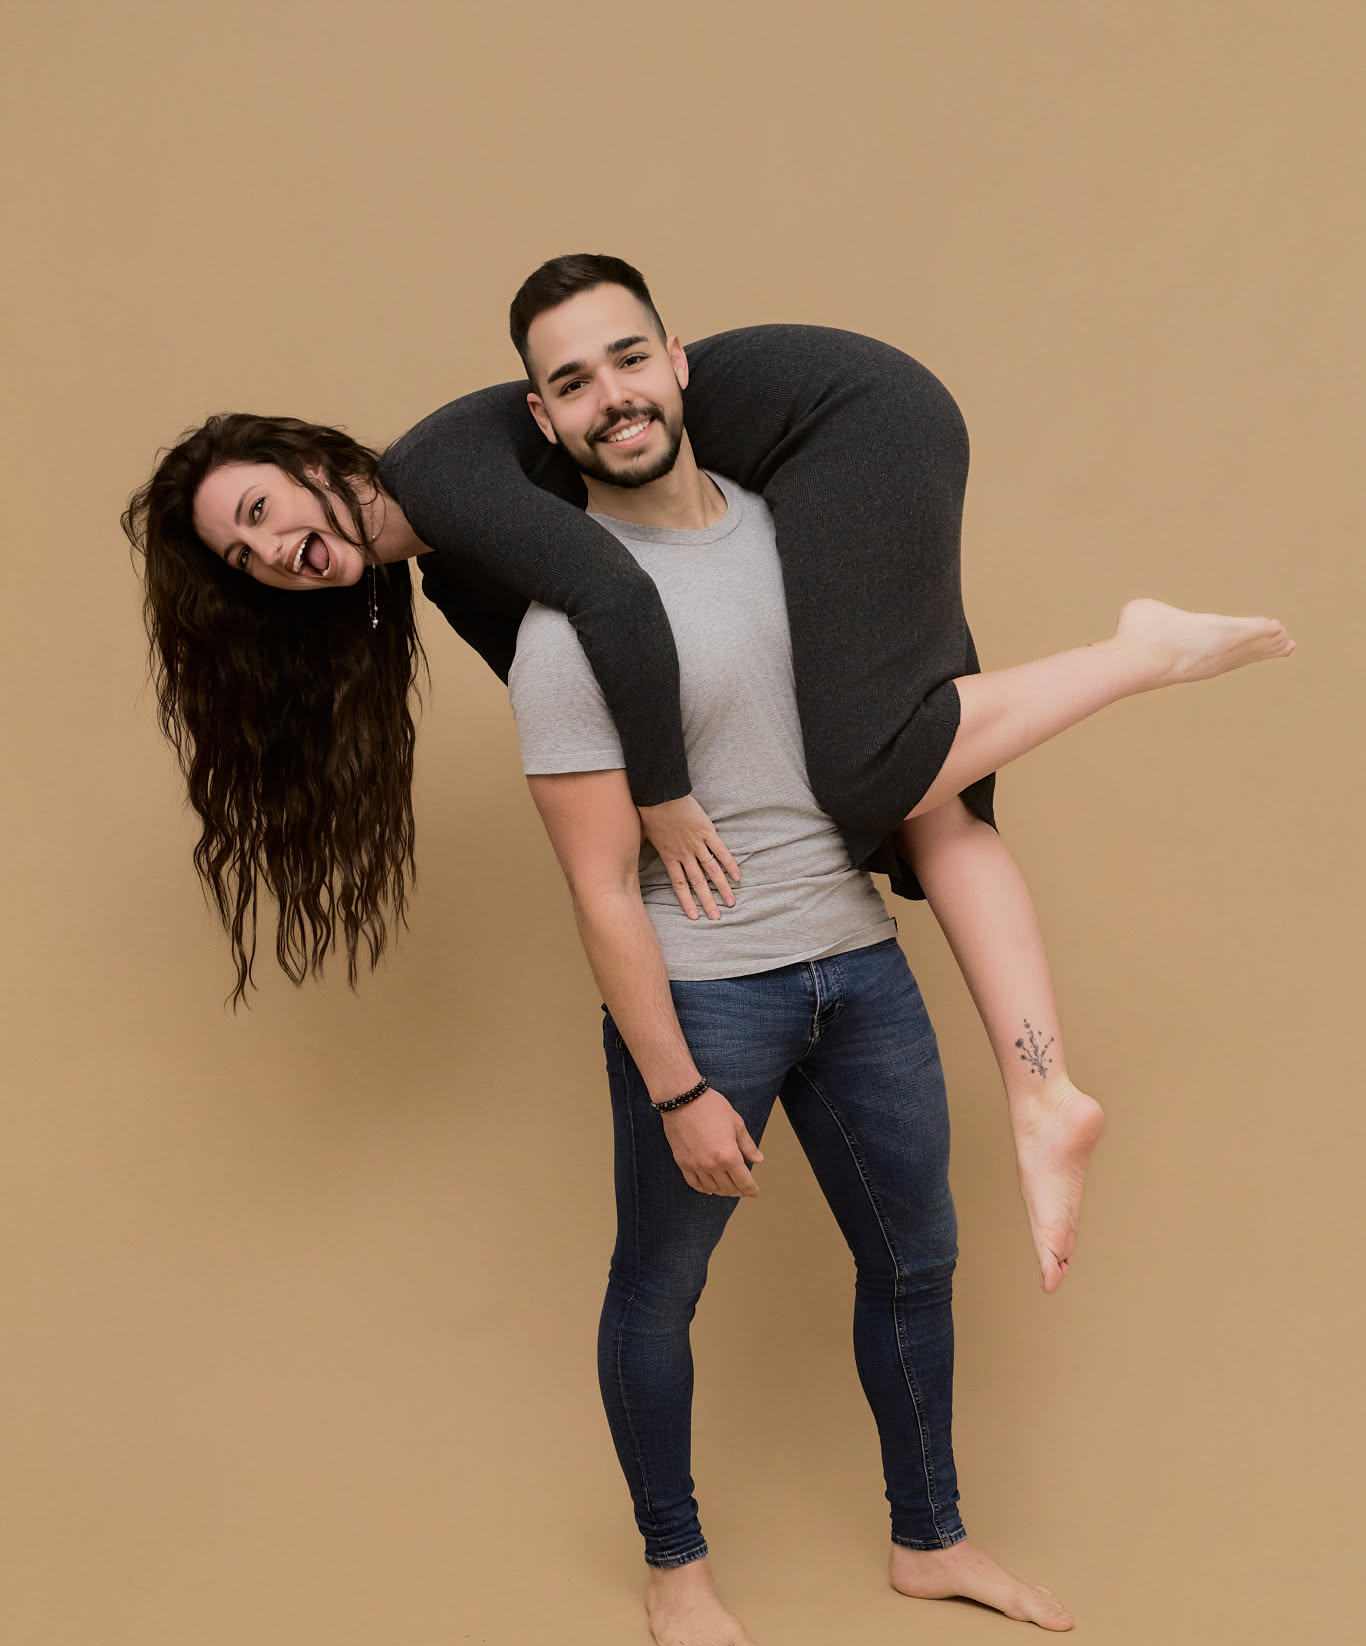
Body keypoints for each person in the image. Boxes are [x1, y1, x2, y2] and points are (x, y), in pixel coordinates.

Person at [124, 259, 1292, 1297]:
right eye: (247, 554)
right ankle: (1045, 1095)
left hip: (855, 419)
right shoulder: (451, 571)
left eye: (265, 506)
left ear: (319, 459)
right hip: (835, 463)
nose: (274, 547)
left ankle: (1140, 651)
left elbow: (617, 599)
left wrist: (668, 799)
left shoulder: (435, 481)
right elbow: (583, 693)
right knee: (915, 794)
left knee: (872, 757)